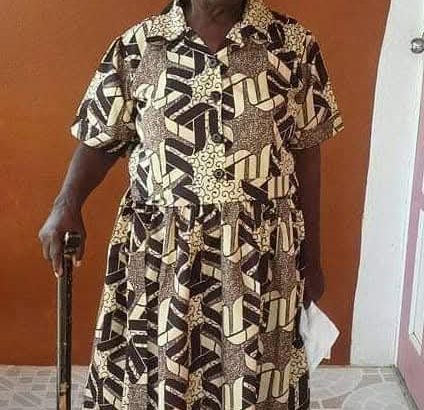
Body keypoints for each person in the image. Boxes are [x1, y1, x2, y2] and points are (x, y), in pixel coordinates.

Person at [38, 0, 344, 408]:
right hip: (163, 256)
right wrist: (66, 203)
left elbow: (307, 153)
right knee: (161, 371)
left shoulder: (291, 44)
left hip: (258, 257)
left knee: (252, 377)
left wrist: (313, 259)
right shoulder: (140, 46)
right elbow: (101, 139)